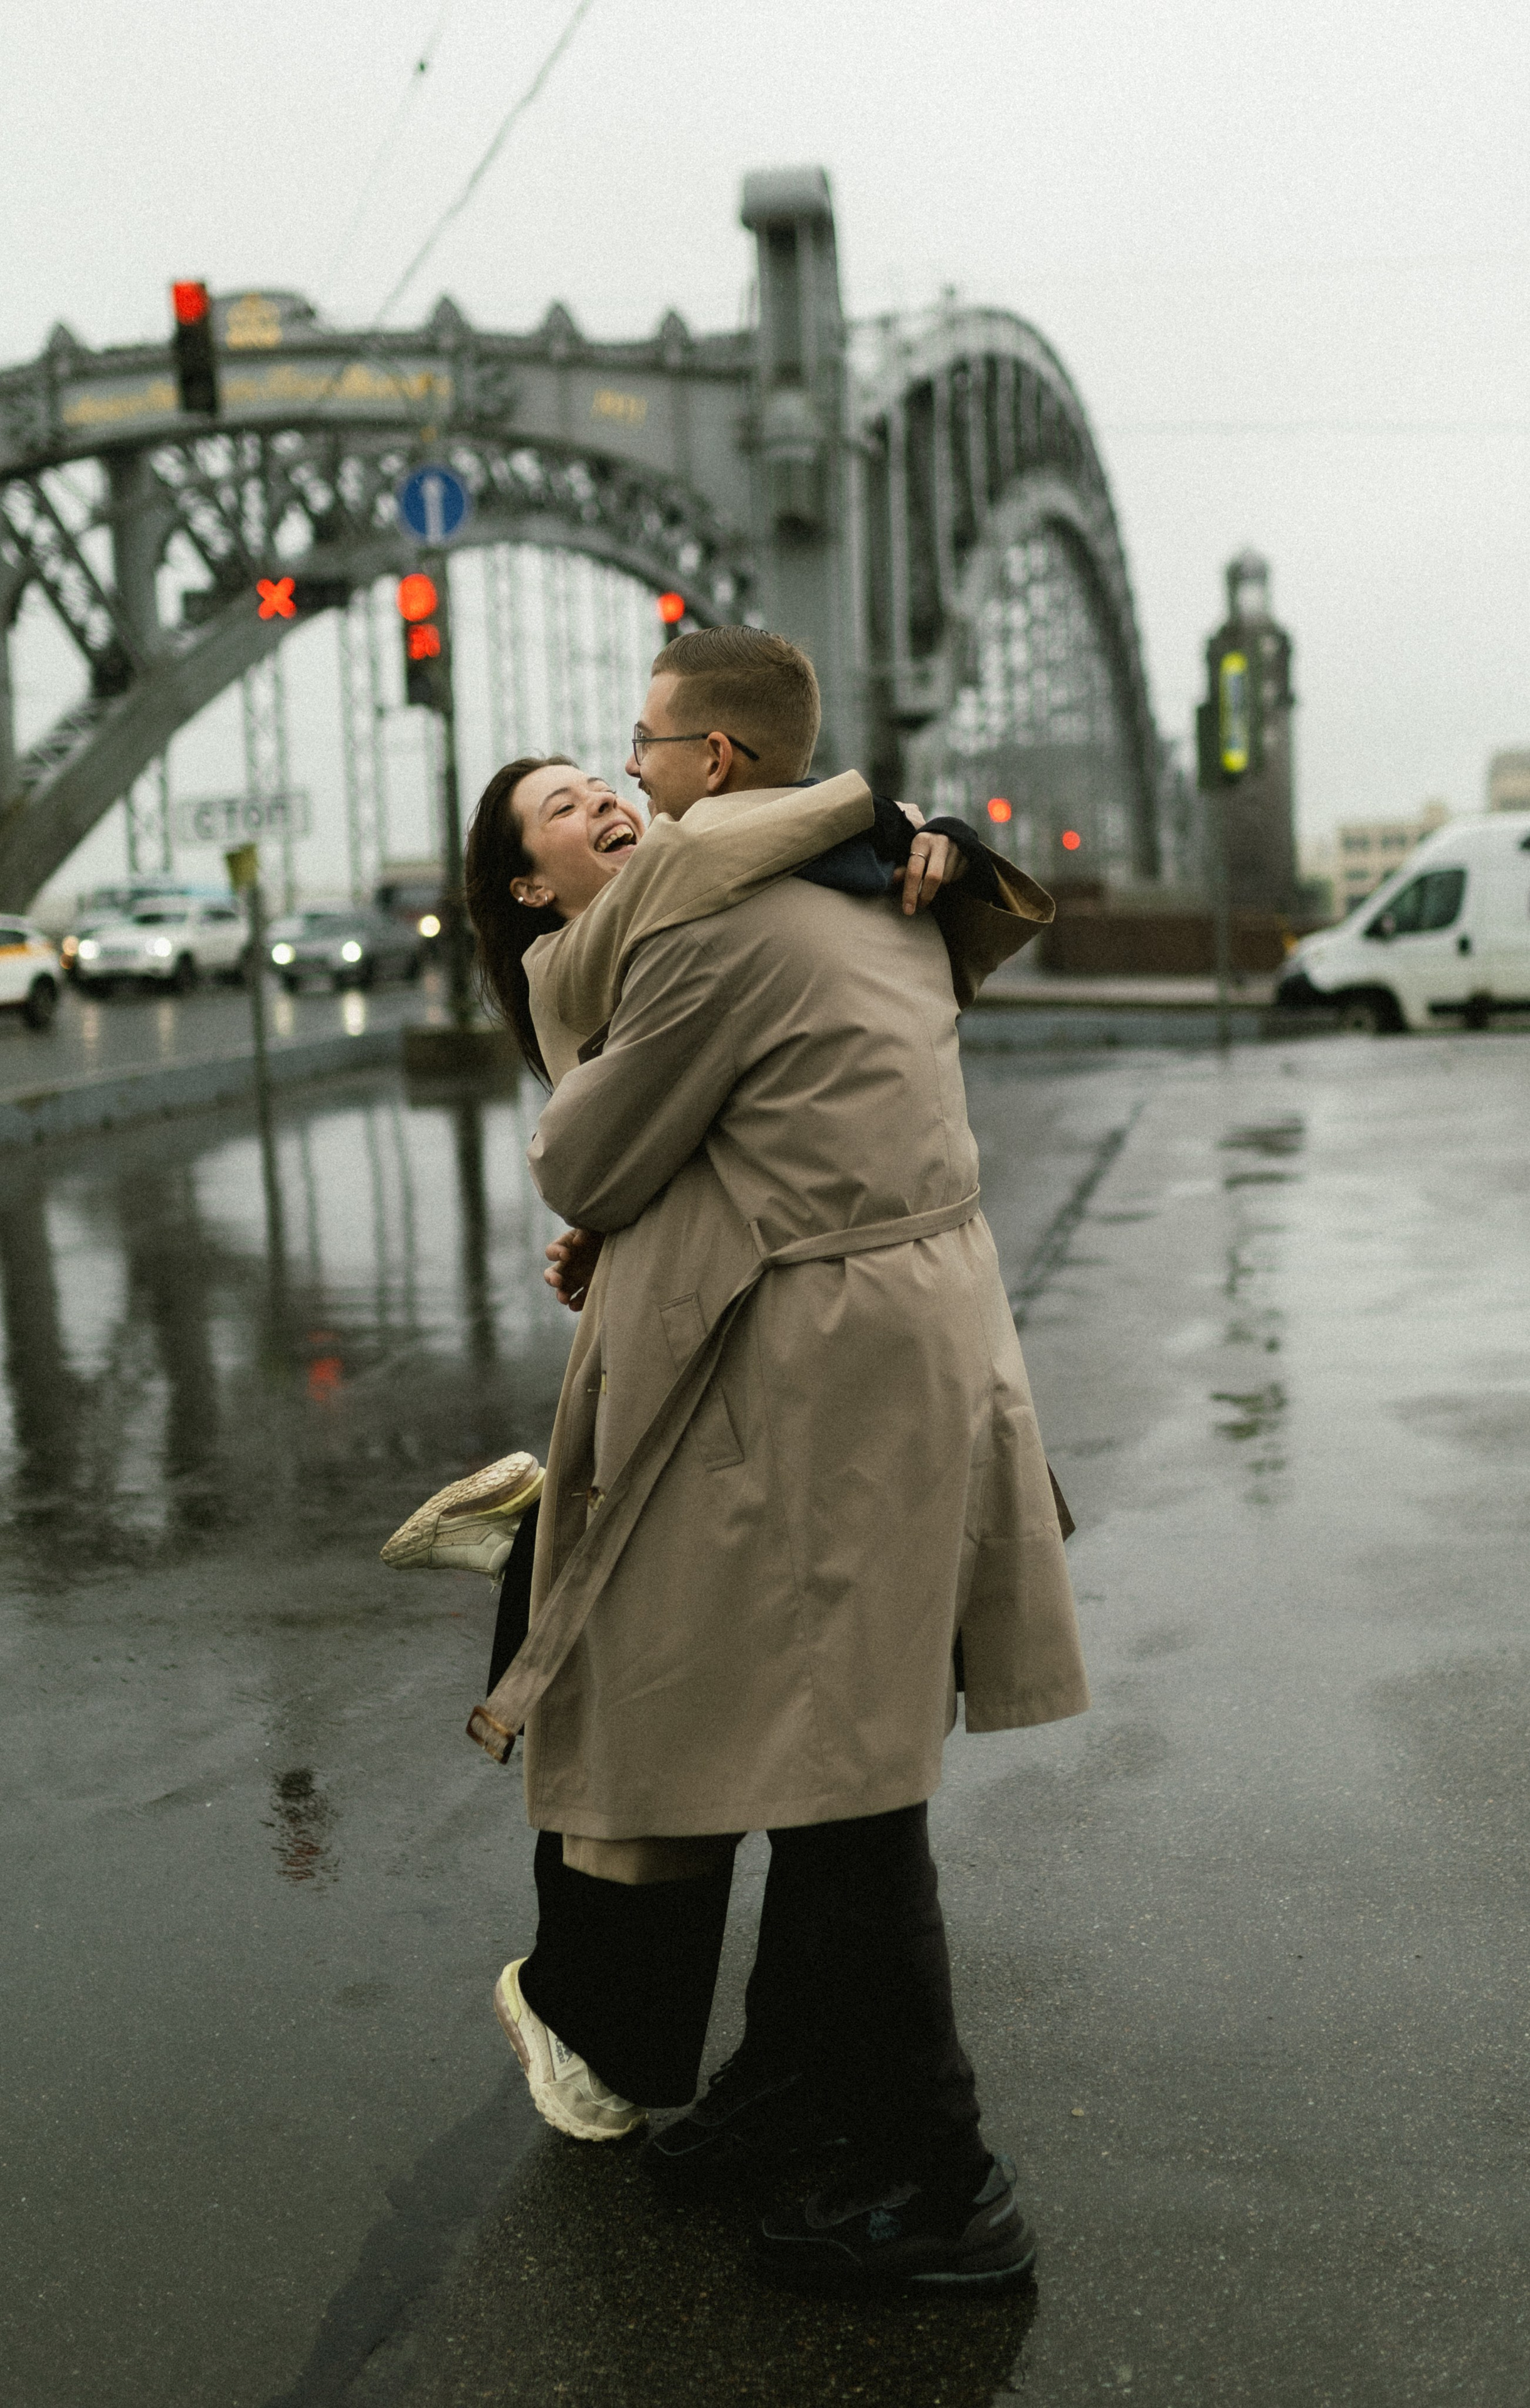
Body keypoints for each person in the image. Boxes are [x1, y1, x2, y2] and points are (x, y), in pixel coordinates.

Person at [458, 628, 1087, 2291]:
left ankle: (939, 2187)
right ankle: (798, 2086)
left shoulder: (717, 931)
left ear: (714, 765)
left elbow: (585, 1150)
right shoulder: (862, 885)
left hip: (820, 1390)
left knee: (840, 1782)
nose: (631, 775)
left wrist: (606, 1181)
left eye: (641, 750)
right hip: (877, 1357)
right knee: (827, 1763)